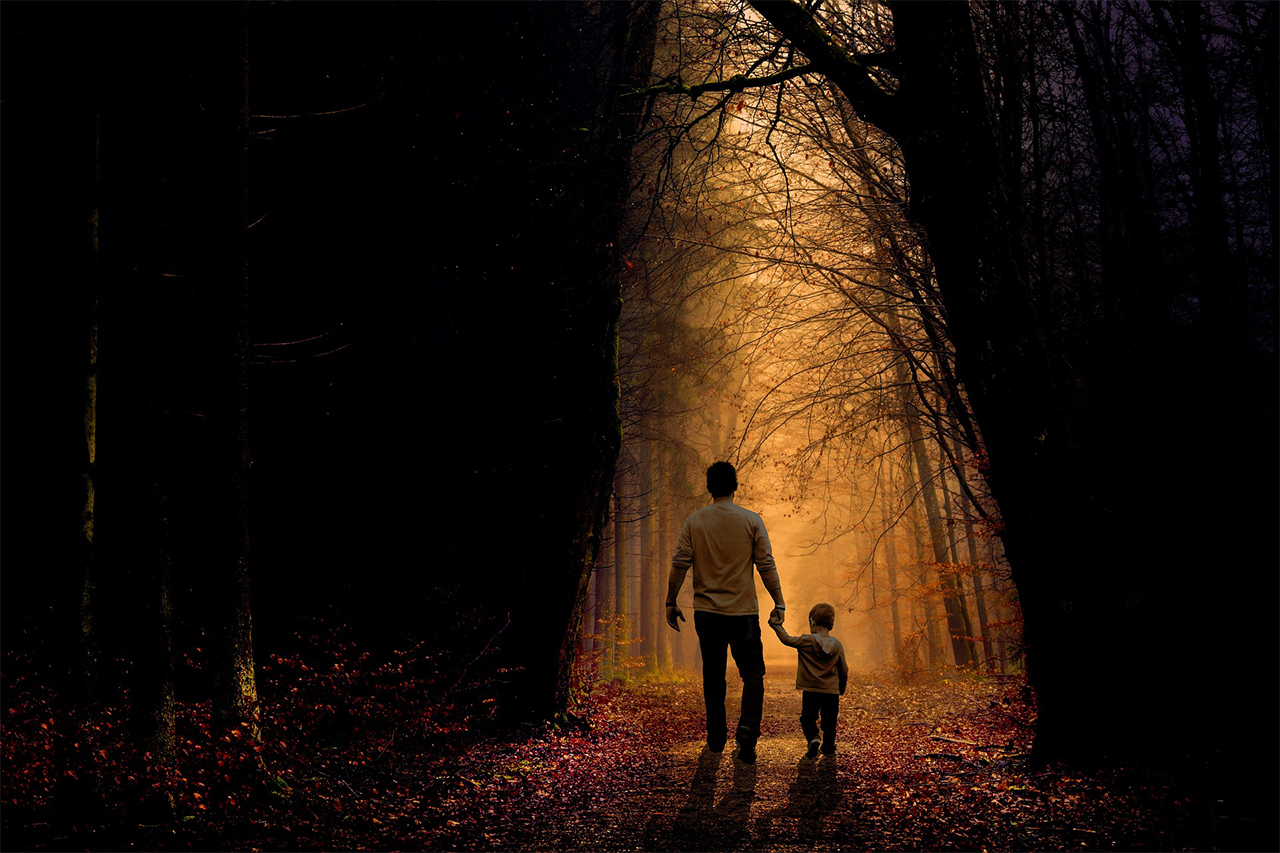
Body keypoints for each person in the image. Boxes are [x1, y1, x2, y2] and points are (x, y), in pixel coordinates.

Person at [666, 461, 785, 764]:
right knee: (753, 675)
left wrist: (671, 600)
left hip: (707, 614)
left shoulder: (695, 521)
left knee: (713, 676)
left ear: (709, 488)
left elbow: (680, 562)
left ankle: (716, 736)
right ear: (735, 486)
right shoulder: (751, 520)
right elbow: (765, 563)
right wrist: (778, 601)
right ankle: (747, 731)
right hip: (743, 614)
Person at [769, 602, 848, 758]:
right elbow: (844, 669)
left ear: (812, 621)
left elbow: (786, 639)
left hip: (811, 690)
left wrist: (776, 625)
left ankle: (813, 738)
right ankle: (828, 748)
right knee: (830, 722)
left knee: (807, 718)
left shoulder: (806, 641)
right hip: (831, 691)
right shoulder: (837, 645)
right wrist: (841, 688)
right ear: (831, 623)